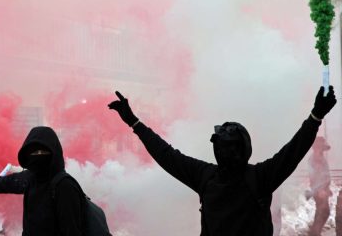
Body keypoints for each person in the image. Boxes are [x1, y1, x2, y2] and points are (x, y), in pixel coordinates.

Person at [108, 86, 336, 236]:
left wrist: (134, 122)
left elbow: (165, 154)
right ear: (246, 148)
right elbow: (294, 150)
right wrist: (316, 115)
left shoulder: (204, 176)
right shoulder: (261, 177)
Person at [0, 126, 84, 236]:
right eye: (34, 152)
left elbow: (71, 231)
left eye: (43, 152)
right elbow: (7, 183)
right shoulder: (30, 178)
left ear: (54, 152)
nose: (39, 156)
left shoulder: (64, 185)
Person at [307, 136, 332, 236]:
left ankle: (315, 232)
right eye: (321, 147)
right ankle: (315, 233)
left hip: (323, 189)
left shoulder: (320, 157)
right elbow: (314, 177)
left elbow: (324, 174)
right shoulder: (314, 159)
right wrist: (320, 190)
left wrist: (327, 187)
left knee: (322, 212)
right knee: (323, 212)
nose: (322, 150)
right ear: (317, 147)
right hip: (319, 190)